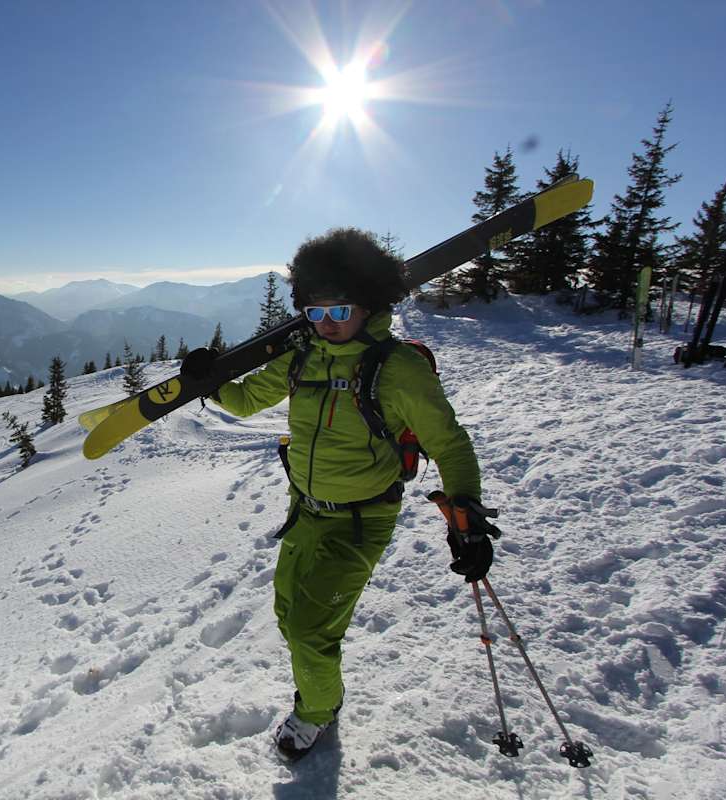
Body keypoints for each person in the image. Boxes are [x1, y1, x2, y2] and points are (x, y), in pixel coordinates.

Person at [181, 227, 499, 761]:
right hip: (305, 509)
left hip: (360, 520)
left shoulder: (397, 368)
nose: (326, 325)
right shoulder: (302, 357)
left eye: (339, 312)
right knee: (288, 613)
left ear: (369, 304)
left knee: (309, 629)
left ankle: (317, 711)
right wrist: (209, 380)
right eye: (315, 313)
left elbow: (450, 441)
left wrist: (464, 510)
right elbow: (243, 400)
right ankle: (321, 689)